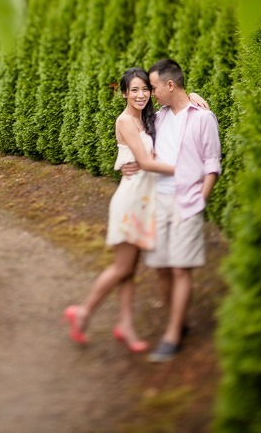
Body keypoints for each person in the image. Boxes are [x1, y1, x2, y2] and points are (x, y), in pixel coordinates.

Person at [63, 67, 177, 353]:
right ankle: (83, 311)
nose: (141, 95)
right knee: (122, 267)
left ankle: (125, 324)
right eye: (134, 90)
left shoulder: (147, 120)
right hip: (130, 203)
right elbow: (146, 162)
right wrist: (186, 170)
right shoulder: (126, 120)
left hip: (144, 201)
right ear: (124, 93)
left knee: (129, 270)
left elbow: (142, 157)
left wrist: (197, 95)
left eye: (145, 90)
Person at [122, 58, 221, 363]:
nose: (150, 94)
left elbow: (212, 164)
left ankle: (173, 334)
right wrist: (130, 162)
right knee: (162, 267)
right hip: (157, 201)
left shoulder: (203, 118)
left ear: (169, 84)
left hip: (187, 202)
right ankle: (179, 321)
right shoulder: (159, 118)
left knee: (180, 268)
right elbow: (135, 135)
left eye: (153, 87)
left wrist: (200, 200)